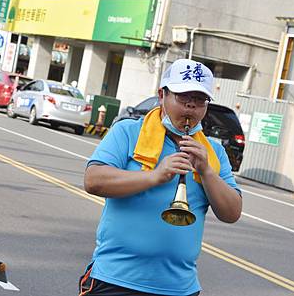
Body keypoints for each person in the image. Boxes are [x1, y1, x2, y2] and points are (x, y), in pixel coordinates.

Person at [80, 58, 242, 296]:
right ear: (162, 95)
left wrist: (206, 171)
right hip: (115, 280)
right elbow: (93, 180)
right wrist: (155, 176)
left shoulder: (213, 152)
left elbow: (232, 213)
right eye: (182, 97)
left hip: (180, 288)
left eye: (199, 101)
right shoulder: (127, 131)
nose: (190, 107)